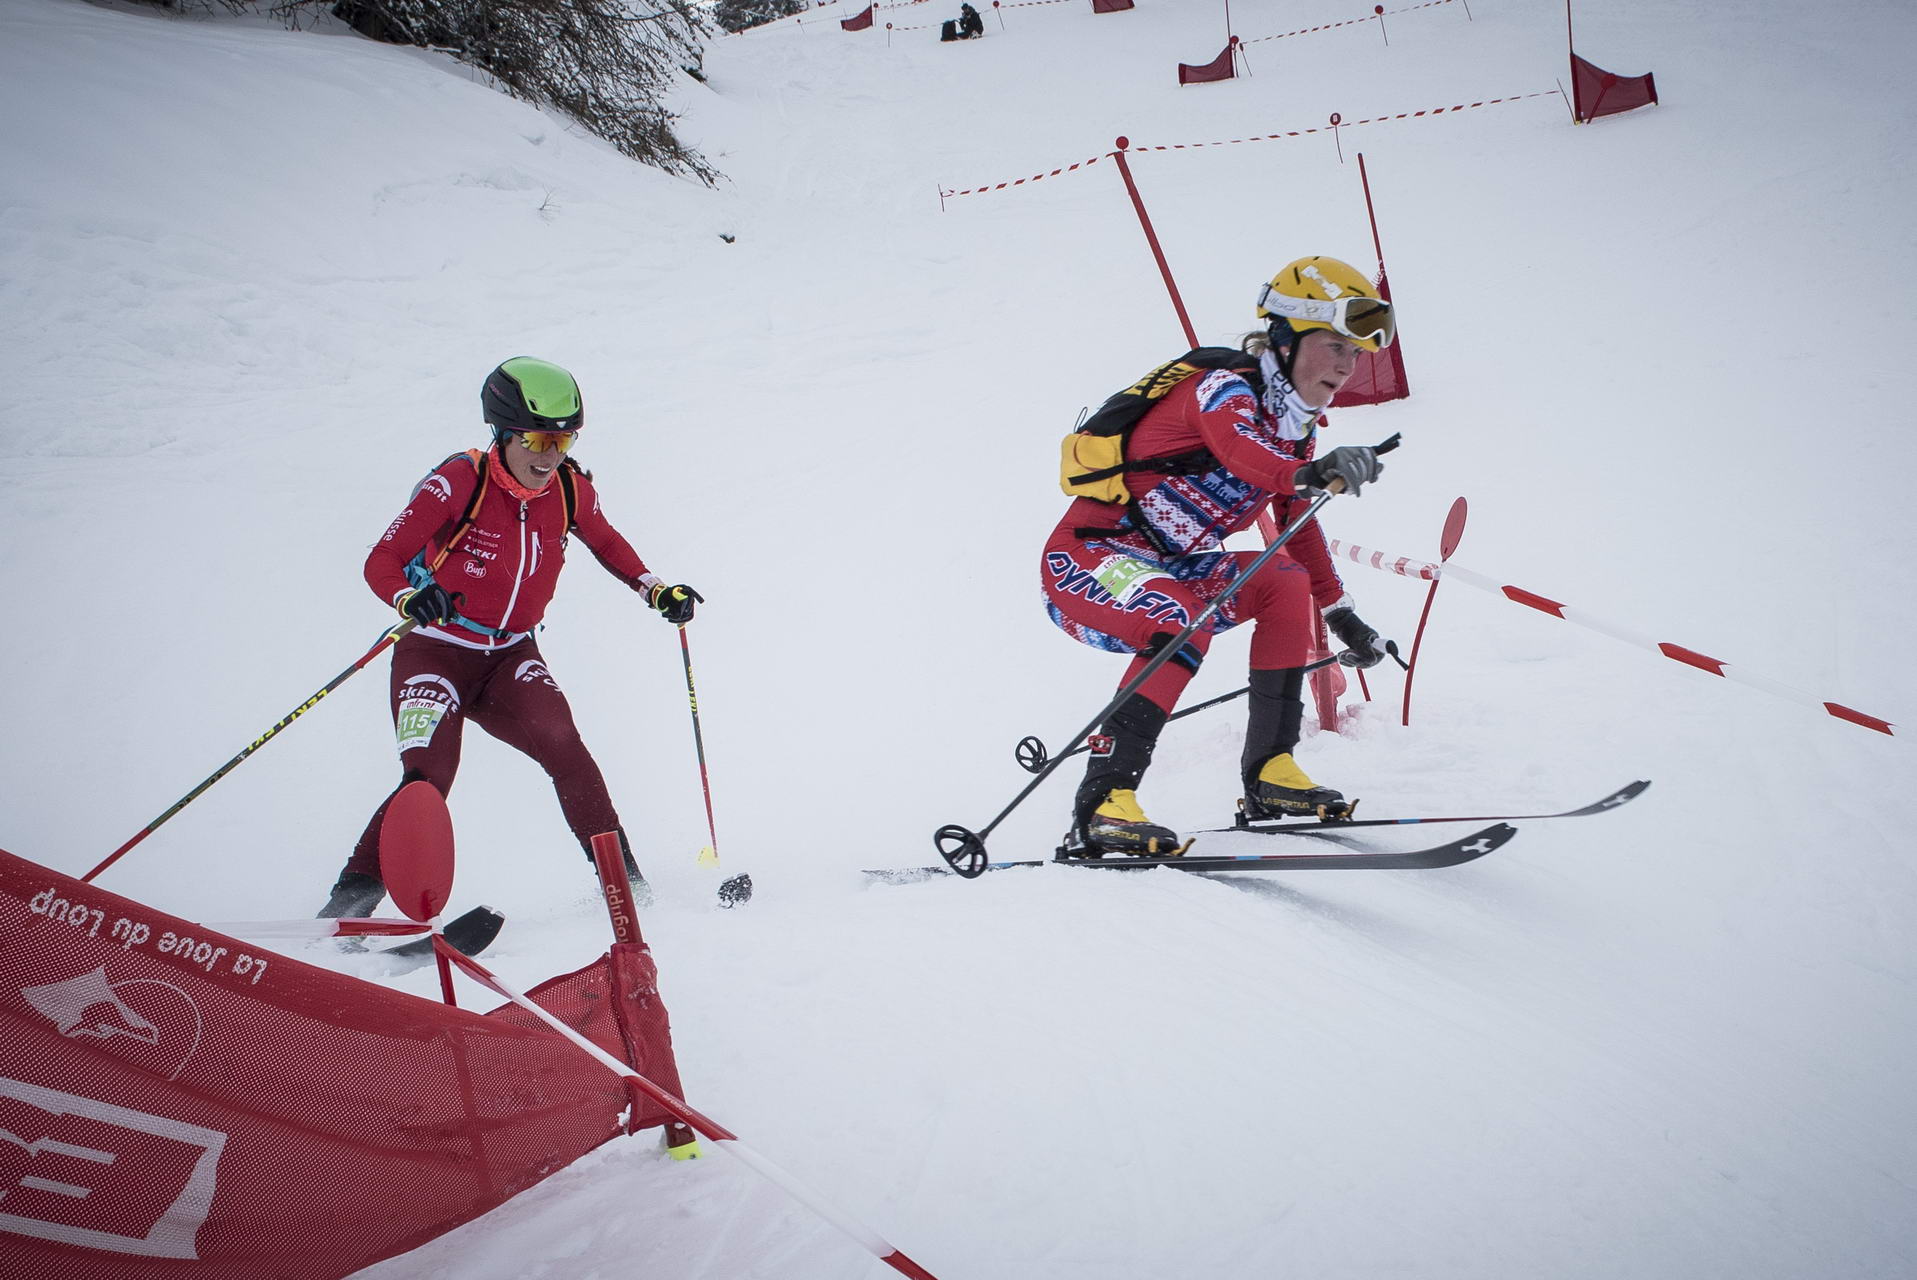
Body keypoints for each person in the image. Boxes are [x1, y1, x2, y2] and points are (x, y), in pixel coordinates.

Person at [317, 357, 700, 919]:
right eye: (539, 439)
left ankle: (628, 892)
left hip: (509, 656)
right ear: (503, 432)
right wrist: (408, 597)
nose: (550, 456)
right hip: (436, 653)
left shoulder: (569, 490)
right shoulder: (459, 480)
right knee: (428, 778)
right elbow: (383, 559)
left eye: (563, 440)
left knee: (565, 746)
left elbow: (607, 542)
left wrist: (656, 590)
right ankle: (346, 910)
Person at [1041, 256, 1396, 857]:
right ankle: (1102, 803)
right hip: (1091, 559)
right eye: (1335, 344)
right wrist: (1309, 472)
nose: (1347, 364)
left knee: (1280, 577)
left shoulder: (1295, 429)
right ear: (1284, 339)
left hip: (1177, 568)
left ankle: (1270, 774)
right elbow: (1239, 453)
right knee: (1176, 616)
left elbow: (1296, 531)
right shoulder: (1222, 389)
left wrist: (1341, 613)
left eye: (1356, 353)